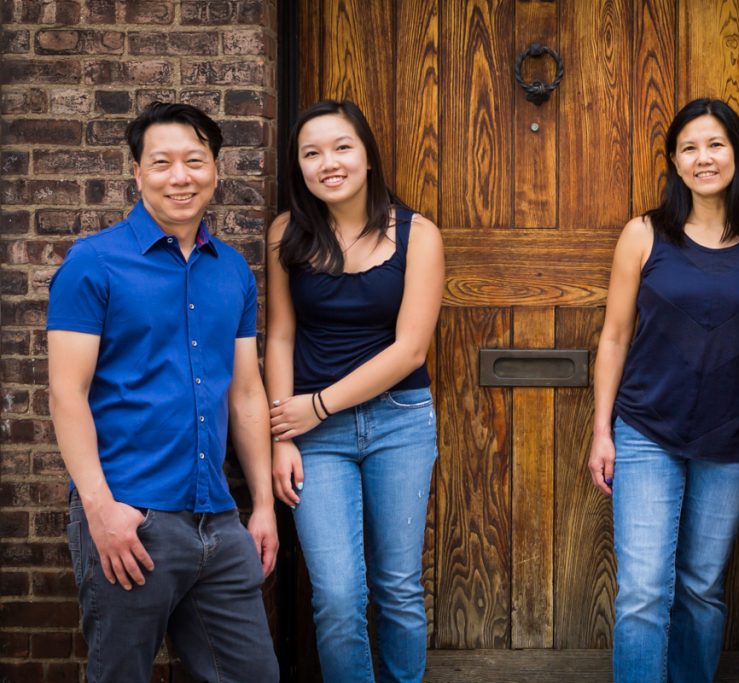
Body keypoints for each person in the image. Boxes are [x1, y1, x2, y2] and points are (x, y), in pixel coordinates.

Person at [47, 102, 279, 683]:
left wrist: (263, 507)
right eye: (163, 163)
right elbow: (65, 393)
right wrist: (101, 511)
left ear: (216, 171)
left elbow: (247, 393)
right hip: (132, 516)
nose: (181, 176)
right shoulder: (93, 263)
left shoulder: (231, 271)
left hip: (219, 523)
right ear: (137, 173)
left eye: (195, 161)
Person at [588, 98, 739, 683]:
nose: (703, 158)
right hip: (646, 431)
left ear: (737, 154)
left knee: (702, 589)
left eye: (715, 144)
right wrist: (601, 431)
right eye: (689, 147)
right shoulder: (643, 235)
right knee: (642, 594)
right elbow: (614, 337)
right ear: (674, 163)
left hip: (732, 440)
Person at [264, 99, 444, 683]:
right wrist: (280, 436)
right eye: (311, 153)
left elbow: (410, 350)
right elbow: (281, 337)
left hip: (400, 422)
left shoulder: (419, 234)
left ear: (367, 156)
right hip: (312, 436)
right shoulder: (286, 234)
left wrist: (316, 406)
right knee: (338, 595)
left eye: (342, 147)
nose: (328, 163)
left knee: (397, 588)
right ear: (299, 167)